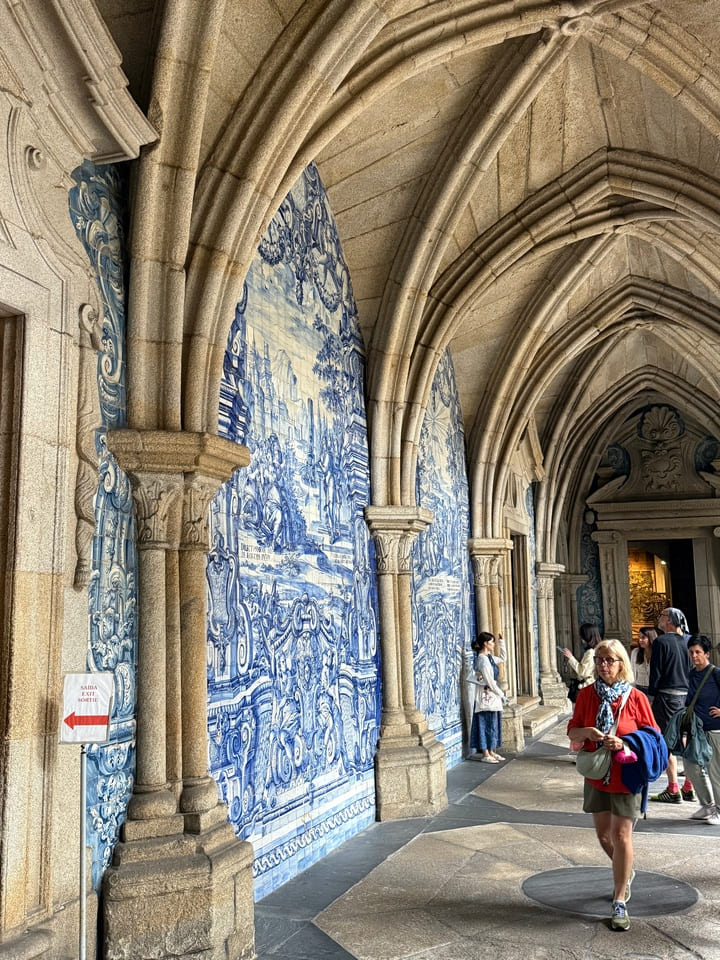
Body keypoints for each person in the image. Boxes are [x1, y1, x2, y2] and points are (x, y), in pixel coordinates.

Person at [567, 638, 658, 932]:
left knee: (621, 835)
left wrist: (625, 741)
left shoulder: (635, 698)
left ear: (622, 664)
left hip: (626, 775)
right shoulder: (586, 696)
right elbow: (573, 730)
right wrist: (589, 733)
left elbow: (653, 736)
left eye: (610, 660)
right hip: (598, 774)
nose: (604, 665)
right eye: (600, 660)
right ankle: (626, 871)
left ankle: (619, 899)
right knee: (603, 836)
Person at [648, 607, 695, 803]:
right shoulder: (691, 641)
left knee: (668, 741)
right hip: (689, 697)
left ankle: (673, 787)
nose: (659, 618)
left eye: (662, 616)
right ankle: (689, 787)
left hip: (667, 698)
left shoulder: (661, 641)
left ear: (670, 620)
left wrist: (651, 695)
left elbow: (656, 672)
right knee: (688, 741)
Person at [680, 635, 720, 824]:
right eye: (691, 652)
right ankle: (708, 805)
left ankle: (719, 811)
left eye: (698, 652)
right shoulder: (691, 674)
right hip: (696, 729)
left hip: (714, 730)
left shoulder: (715, 674)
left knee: (715, 772)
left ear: (707, 654)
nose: (694, 656)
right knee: (691, 765)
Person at [470, 632, 508, 763]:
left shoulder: (490, 657)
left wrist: (502, 643)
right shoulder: (482, 660)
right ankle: (485, 754)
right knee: (484, 723)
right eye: (492, 642)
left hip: (492, 696)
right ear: (486, 643)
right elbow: (490, 681)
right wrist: (502, 694)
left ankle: (491, 751)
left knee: (492, 723)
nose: (493, 644)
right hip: (486, 695)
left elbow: (503, 658)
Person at [562, 622, 601, 695]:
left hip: (588, 688)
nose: (581, 639)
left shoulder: (591, 652)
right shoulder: (596, 650)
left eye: (582, 636)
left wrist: (571, 658)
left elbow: (583, 672)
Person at [630, 627, 656, 694]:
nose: (640, 640)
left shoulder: (657, 653)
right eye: (639, 637)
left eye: (643, 637)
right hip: (639, 689)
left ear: (651, 638)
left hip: (653, 690)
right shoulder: (635, 652)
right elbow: (632, 671)